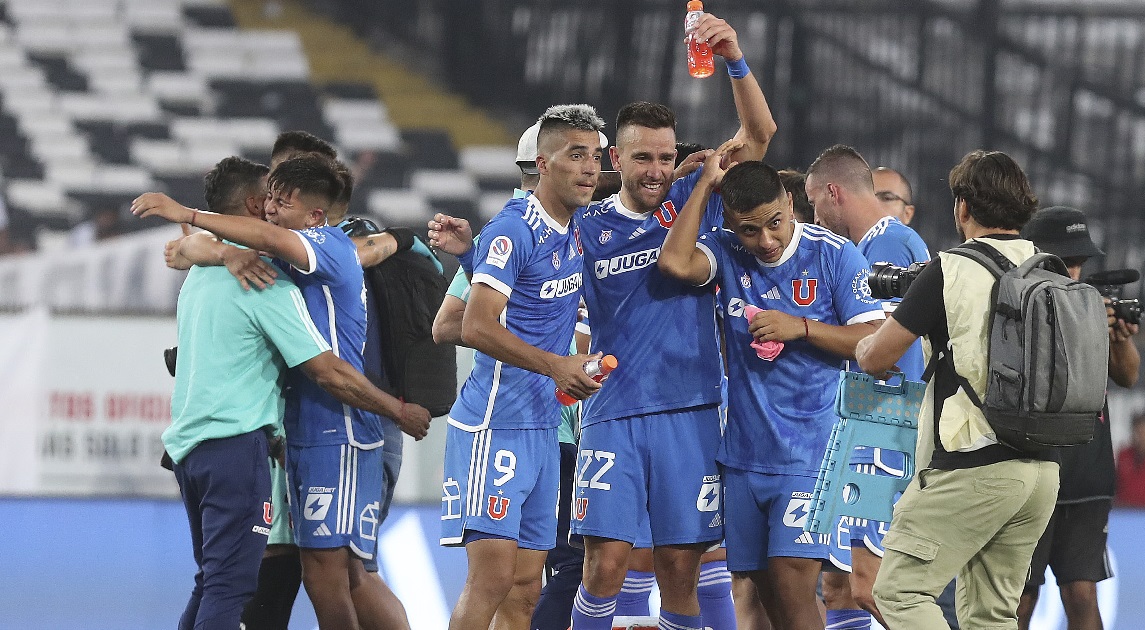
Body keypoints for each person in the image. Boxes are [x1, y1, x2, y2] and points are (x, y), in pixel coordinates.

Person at [133, 154, 431, 629]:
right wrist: (221, 248)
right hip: (288, 434)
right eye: (270, 198)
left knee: (334, 574)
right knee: (312, 574)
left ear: (315, 215)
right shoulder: (254, 268)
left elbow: (329, 369)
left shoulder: (308, 254)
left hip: (341, 429)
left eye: (283, 201)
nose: (272, 209)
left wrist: (188, 219)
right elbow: (190, 249)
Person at [567, 17, 776, 630]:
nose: (657, 169)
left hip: (690, 410)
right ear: (617, 158)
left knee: (680, 567)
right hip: (612, 410)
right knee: (604, 563)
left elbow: (759, 135)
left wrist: (733, 55)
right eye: (642, 157)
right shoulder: (585, 224)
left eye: (665, 156)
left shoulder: (700, 204)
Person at [658, 149, 885, 630]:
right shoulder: (725, 250)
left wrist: (801, 327)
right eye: (749, 229)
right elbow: (675, 263)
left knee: (792, 584)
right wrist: (703, 187)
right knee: (762, 591)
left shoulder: (833, 255)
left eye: (775, 223)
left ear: (789, 199)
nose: (765, 240)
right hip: (743, 456)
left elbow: (873, 340)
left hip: (809, 454)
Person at [855, 149, 1059, 629]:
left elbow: (877, 357)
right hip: (1041, 471)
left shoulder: (950, 268)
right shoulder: (1046, 269)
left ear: (963, 207)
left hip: (973, 464)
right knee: (991, 616)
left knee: (899, 592)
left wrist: (865, 339)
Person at [428, 104, 608, 630]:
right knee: (492, 580)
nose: (590, 168)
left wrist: (469, 256)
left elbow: (523, 297)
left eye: (596, 157)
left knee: (528, 588)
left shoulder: (572, 228)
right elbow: (473, 327)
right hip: (494, 423)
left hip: (540, 430)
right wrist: (557, 365)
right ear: (542, 164)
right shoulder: (517, 227)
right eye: (577, 156)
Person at [804, 147, 931, 630]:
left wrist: (807, 330)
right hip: (861, 424)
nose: (815, 216)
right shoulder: (876, 245)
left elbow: (887, 350)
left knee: (869, 584)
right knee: (839, 586)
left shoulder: (890, 246)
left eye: (815, 203)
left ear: (834, 193)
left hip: (883, 428)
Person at [1013, 204, 1139, 630]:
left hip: (1086, 473)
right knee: (1020, 598)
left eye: (1079, 263)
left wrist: (1114, 337)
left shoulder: (1092, 307)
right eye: (1065, 262)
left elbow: (1128, 374)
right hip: (1031, 468)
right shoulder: (1019, 304)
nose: (1074, 273)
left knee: (1081, 592)